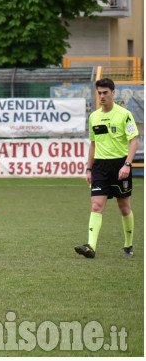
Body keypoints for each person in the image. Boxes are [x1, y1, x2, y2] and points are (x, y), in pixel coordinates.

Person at [75, 78, 139, 259]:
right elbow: (93, 144)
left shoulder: (124, 114)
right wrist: (89, 169)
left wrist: (127, 164)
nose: (102, 96)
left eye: (105, 92)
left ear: (113, 93)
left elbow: (133, 140)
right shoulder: (94, 117)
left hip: (120, 165)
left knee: (124, 208)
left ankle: (128, 245)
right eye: (99, 93)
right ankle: (91, 247)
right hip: (100, 167)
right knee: (96, 206)